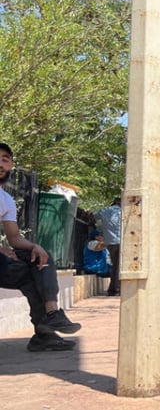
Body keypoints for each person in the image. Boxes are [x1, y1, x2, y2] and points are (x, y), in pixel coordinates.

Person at [0, 142, 82, 352]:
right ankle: (46, 332)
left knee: (38, 259)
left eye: (4, 159)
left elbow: (14, 238)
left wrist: (36, 246)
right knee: (28, 273)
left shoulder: (6, 200)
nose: (0, 163)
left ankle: (51, 316)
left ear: (11, 165)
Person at [93, 197, 121, 296]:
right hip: (121, 241)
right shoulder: (122, 211)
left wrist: (101, 227)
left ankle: (112, 288)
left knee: (115, 265)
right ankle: (116, 288)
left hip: (109, 241)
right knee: (119, 265)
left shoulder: (105, 210)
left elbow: (95, 215)